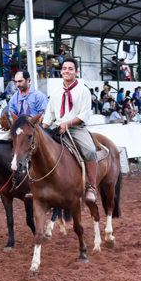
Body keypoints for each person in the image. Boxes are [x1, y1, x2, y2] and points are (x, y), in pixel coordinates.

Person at [42, 57, 98, 203]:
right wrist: (43, 130)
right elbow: (49, 115)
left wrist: (67, 123)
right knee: (37, 148)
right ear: (61, 71)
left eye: (70, 69)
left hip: (76, 129)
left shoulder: (84, 91)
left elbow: (85, 114)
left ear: (76, 72)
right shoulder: (55, 92)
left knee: (90, 150)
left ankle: (91, 187)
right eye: (64, 68)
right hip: (56, 128)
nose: (67, 71)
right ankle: (38, 184)